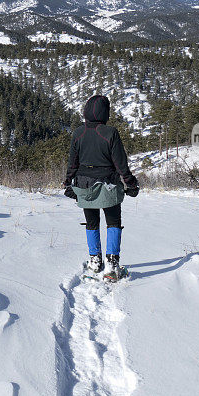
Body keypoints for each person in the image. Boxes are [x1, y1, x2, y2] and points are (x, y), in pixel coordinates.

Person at [64, 94, 139, 280]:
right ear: (105, 113)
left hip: (84, 185)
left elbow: (72, 163)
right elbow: (121, 164)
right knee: (113, 222)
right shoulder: (110, 132)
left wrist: (68, 183)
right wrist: (130, 184)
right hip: (109, 185)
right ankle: (112, 265)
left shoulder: (78, 133)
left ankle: (94, 261)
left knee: (91, 223)